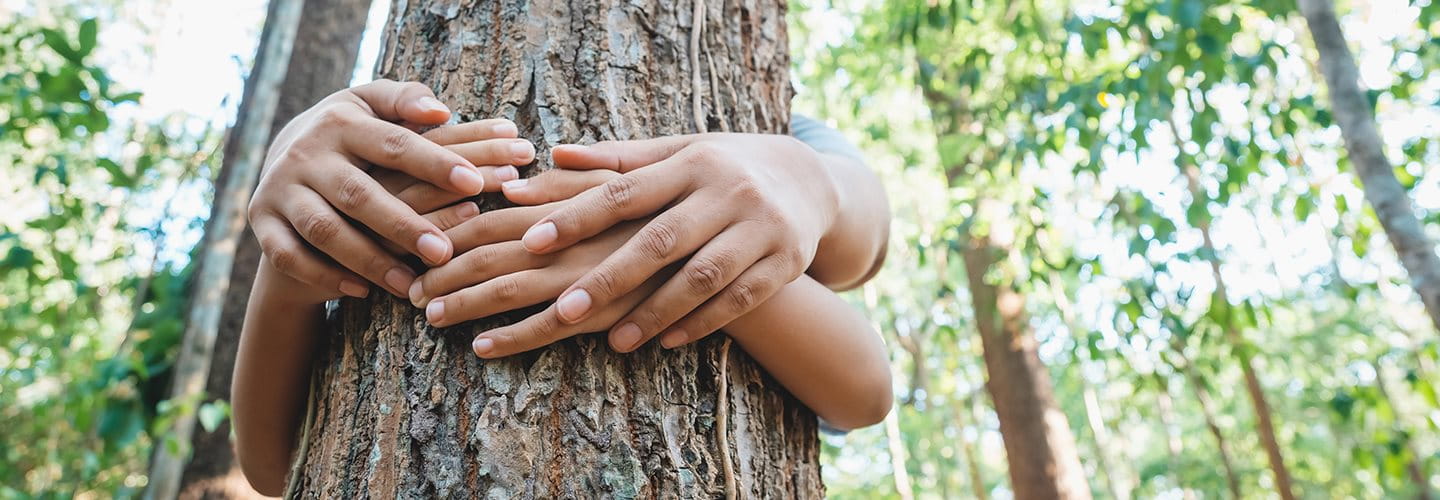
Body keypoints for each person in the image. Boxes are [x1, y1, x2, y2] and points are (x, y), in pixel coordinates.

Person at [231, 79, 893, 495]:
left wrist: (802, 180)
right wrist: (292, 253)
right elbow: (277, 464)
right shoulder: (391, 118)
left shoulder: (770, 107)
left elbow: (864, 374)